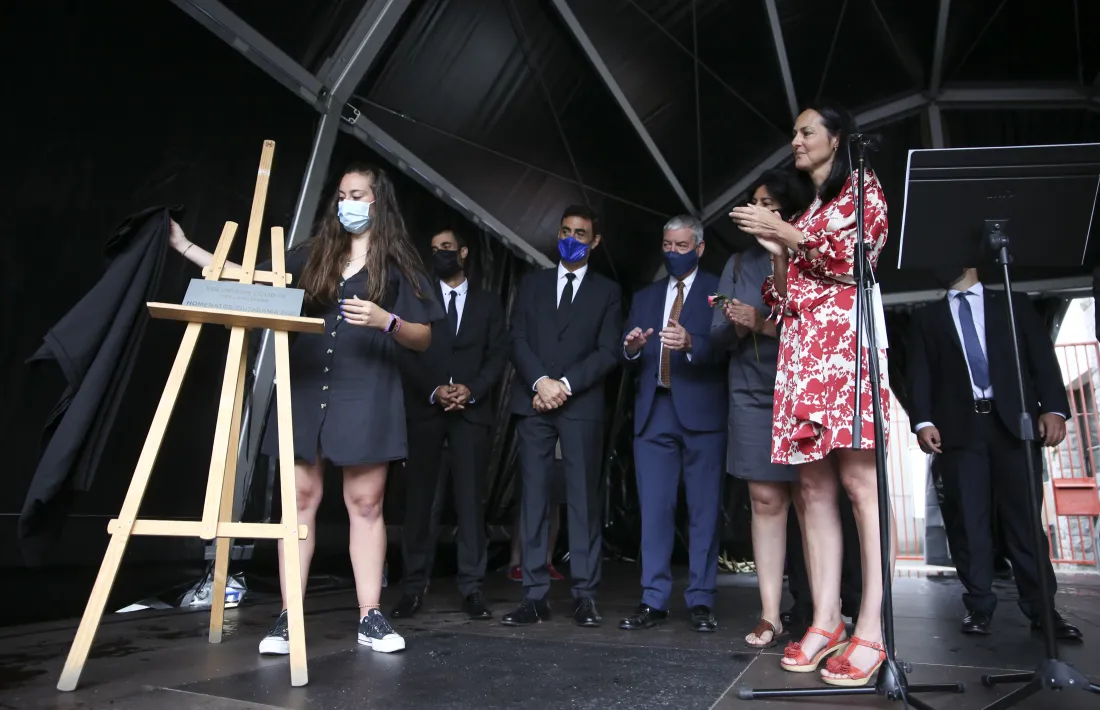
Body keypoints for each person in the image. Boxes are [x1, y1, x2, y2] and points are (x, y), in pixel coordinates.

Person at [169, 163, 443, 655]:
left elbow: (423, 338)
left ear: (379, 201)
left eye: (357, 195)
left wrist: (388, 320)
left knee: (366, 504)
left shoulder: (402, 265)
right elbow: (251, 281)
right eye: (341, 195)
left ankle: (370, 616)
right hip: (306, 387)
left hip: (368, 391)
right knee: (297, 506)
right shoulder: (311, 254)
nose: (347, 204)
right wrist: (187, 248)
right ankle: (289, 617)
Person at [730, 102, 891, 686]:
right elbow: (784, 301)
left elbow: (855, 261)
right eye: (793, 133)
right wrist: (778, 255)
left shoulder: (862, 192)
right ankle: (827, 618)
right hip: (801, 358)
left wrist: (787, 233)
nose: (795, 142)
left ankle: (873, 623)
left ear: (836, 138)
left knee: (858, 484)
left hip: (846, 351)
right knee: (814, 485)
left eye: (805, 132)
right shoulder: (813, 207)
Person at [907, 267, 1082, 641]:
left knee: (1024, 521)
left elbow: (1041, 356)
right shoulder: (928, 316)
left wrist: (1053, 407)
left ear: (970, 261)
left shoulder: (1013, 303)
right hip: (959, 429)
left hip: (1014, 425)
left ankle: (1042, 610)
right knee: (968, 521)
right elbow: (919, 372)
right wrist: (922, 421)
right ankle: (979, 607)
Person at [501, 205, 622, 627]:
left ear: (595, 240)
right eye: (566, 231)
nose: (572, 239)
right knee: (533, 498)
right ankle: (533, 595)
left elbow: (609, 351)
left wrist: (564, 386)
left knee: (582, 500)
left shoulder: (607, 291)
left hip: (580, 405)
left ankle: (584, 594)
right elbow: (516, 337)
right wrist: (540, 383)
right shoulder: (532, 282)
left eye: (581, 233)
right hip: (534, 402)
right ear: (558, 234)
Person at [391, 229, 508, 621]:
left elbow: (497, 356)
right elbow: (405, 351)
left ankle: (472, 588)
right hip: (426, 414)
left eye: (446, 248)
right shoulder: (417, 297)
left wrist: (471, 390)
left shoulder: (489, 303)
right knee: (420, 504)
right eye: (434, 249)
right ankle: (412, 588)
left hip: (471, 416)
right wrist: (434, 390)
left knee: (471, 504)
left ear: (463, 252)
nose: (440, 254)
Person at [619, 216, 727, 633]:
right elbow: (626, 349)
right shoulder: (645, 296)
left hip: (703, 412)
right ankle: (653, 599)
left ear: (699, 249)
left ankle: (701, 600)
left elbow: (728, 346)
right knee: (655, 509)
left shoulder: (719, 290)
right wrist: (629, 350)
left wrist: (693, 344)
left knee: (703, 511)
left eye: (682, 247)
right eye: (667, 245)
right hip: (654, 410)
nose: (673, 254)